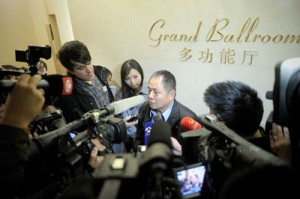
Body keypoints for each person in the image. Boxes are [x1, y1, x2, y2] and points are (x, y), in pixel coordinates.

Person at [203, 81, 292, 164]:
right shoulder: (263, 135)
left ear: (230, 130)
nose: (209, 119)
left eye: (212, 118)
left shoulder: (238, 163)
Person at [135, 70, 198, 156]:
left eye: (155, 92)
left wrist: (182, 153)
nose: (150, 96)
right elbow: (139, 139)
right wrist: (141, 159)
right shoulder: (144, 108)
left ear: (171, 95)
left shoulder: (188, 119)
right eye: (149, 90)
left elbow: (194, 156)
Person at [55, 40, 115, 124]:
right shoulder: (69, 93)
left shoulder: (101, 72)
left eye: (89, 63)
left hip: (115, 124)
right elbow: (78, 124)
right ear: (70, 70)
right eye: (81, 68)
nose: (89, 70)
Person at [113, 59, 148, 153]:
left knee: (142, 159)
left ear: (141, 73)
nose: (132, 82)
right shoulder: (121, 95)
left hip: (144, 139)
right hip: (128, 139)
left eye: (135, 76)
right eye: (127, 79)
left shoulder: (150, 91)